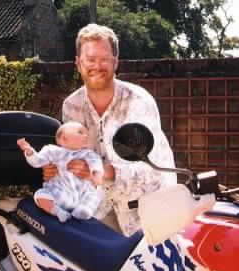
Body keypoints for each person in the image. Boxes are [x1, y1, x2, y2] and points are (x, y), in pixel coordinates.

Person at [43, 23, 176, 236]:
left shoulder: (139, 102)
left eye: (104, 59)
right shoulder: (71, 106)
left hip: (147, 212)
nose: (97, 66)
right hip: (99, 211)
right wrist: (57, 170)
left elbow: (151, 171)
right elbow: (74, 160)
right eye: (90, 59)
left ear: (116, 62)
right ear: (78, 63)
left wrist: (103, 171)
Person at [17, 121, 104, 223]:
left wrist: (97, 174)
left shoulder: (88, 154)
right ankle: (57, 211)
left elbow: (96, 163)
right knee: (40, 195)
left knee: (97, 193)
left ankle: (83, 210)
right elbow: (37, 162)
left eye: (86, 134)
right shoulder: (52, 151)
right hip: (60, 193)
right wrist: (29, 151)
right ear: (64, 138)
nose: (86, 135)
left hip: (81, 196)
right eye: (80, 132)